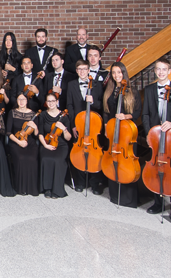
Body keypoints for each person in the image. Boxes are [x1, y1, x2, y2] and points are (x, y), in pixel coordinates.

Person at [143, 58, 171, 220]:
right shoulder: (149, 90)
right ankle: (157, 203)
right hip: (155, 140)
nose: (161, 72)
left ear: (169, 71)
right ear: (155, 71)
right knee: (156, 171)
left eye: (164, 69)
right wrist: (150, 134)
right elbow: (146, 114)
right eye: (158, 69)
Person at [101, 62, 142, 208]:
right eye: (113, 73)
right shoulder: (109, 91)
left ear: (124, 73)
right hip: (113, 132)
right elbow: (106, 111)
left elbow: (137, 113)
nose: (116, 75)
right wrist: (106, 126)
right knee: (113, 161)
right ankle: (114, 195)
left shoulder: (133, 92)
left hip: (127, 133)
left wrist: (126, 116)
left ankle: (129, 199)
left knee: (127, 163)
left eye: (119, 72)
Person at [66, 60, 104, 193]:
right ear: (76, 71)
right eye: (79, 69)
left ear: (89, 70)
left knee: (95, 154)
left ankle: (94, 183)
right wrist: (73, 125)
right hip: (78, 125)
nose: (82, 72)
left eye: (84, 69)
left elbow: (101, 106)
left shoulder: (97, 85)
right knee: (79, 152)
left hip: (93, 125)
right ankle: (80, 182)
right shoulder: (71, 85)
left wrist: (93, 101)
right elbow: (69, 105)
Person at [38, 92, 72, 198]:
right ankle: (47, 188)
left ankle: (57, 189)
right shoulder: (43, 115)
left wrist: (64, 129)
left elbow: (68, 137)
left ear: (57, 102)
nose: (51, 103)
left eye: (53, 101)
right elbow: (40, 133)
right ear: (46, 103)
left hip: (61, 145)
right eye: (49, 101)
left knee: (57, 160)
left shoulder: (64, 116)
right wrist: (45, 145)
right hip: (47, 143)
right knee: (45, 158)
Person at [6, 93, 39, 196]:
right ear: (17, 101)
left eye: (23, 99)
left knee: (32, 158)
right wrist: (19, 141)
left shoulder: (33, 114)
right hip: (16, 141)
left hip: (30, 142)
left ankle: (31, 188)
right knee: (20, 157)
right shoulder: (12, 113)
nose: (21, 101)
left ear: (27, 100)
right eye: (19, 99)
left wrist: (35, 127)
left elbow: (37, 134)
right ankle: (20, 188)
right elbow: (8, 132)